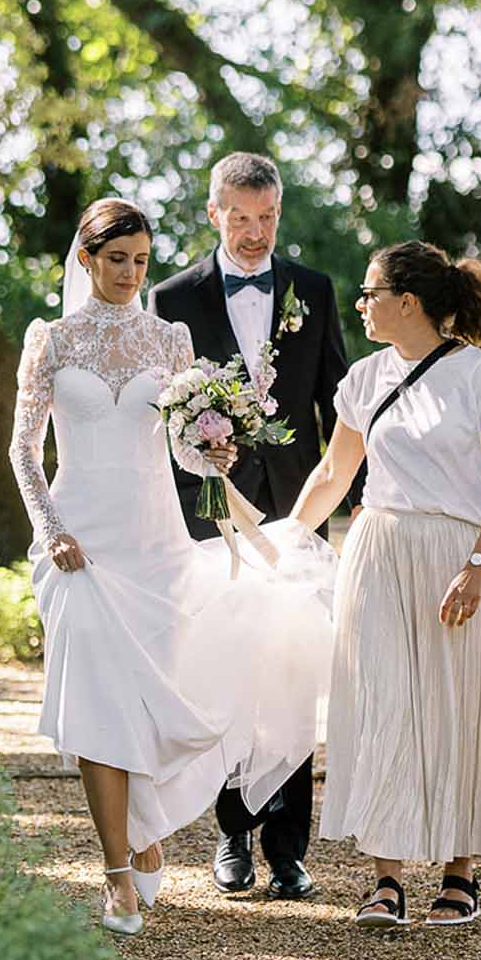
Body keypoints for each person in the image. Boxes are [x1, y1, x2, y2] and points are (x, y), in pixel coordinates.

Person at [9, 197, 332, 936]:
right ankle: (116, 872)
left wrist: (214, 453)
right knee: (94, 706)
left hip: (156, 545)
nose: (129, 274)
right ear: (86, 259)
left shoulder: (170, 338)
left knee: (155, 701)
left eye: (141, 262)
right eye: (116, 260)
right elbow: (23, 449)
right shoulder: (50, 341)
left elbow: (181, 445)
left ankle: (147, 824)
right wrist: (51, 529)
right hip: (81, 540)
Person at [291, 238, 481, 928]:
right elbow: (333, 476)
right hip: (377, 549)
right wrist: (286, 544)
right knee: (382, 703)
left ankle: (460, 873)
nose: (361, 305)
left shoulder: (480, 376)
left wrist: (479, 565)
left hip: (454, 555)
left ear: (407, 302)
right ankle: (386, 877)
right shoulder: (366, 377)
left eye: (370, 293)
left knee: (456, 702)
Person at [149, 152, 359, 902]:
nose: (255, 233)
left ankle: (289, 848)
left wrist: (354, 495)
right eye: (241, 218)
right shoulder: (171, 298)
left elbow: (340, 403)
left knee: (294, 671)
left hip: (302, 505)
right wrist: (196, 463)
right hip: (211, 513)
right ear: (214, 213)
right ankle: (232, 833)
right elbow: (159, 413)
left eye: (267, 218)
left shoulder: (316, 289)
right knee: (226, 671)